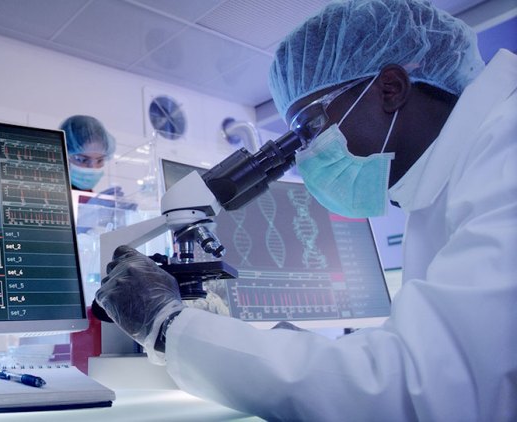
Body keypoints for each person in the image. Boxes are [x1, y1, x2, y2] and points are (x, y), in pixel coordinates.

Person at [94, 0, 516, 420]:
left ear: (391, 89)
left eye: (310, 129)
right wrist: (291, 352)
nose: (305, 156)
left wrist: (168, 325)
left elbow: (417, 388)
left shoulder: (506, 151)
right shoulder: (454, 179)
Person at [60, 115, 115, 192]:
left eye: (99, 161)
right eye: (82, 160)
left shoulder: (89, 195)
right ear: (61, 156)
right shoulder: (48, 190)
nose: (93, 168)